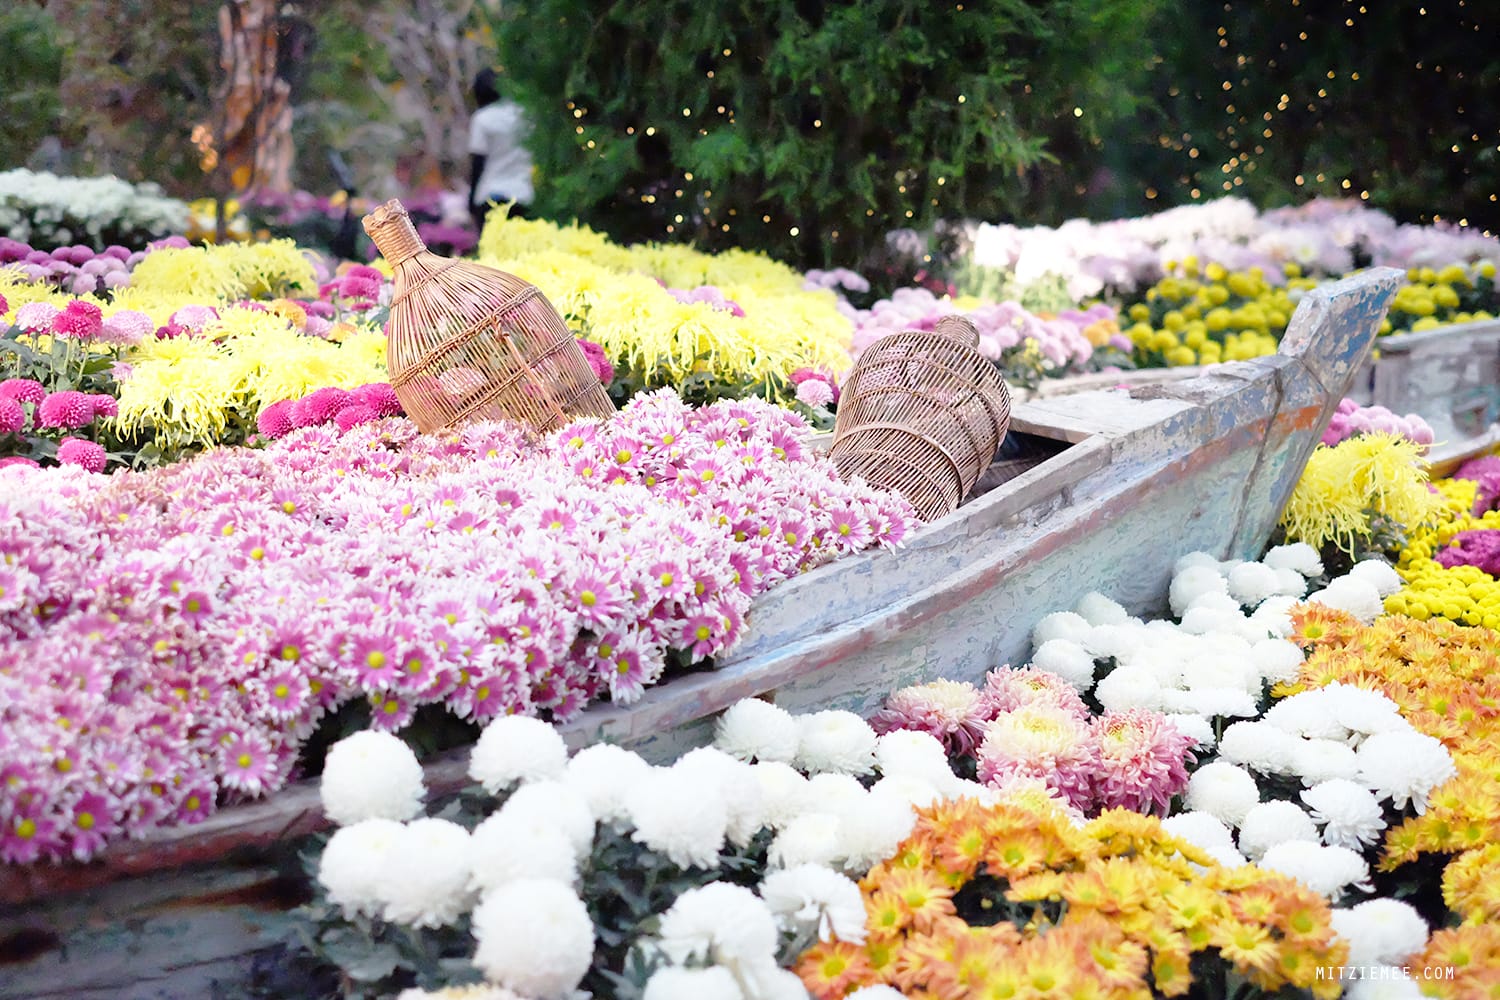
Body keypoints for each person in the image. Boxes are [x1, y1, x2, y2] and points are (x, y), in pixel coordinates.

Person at [467, 68, 535, 234]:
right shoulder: (523, 114)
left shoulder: (482, 119)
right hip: (523, 194)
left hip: (491, 195)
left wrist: (471, 198)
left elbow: (478, 161)